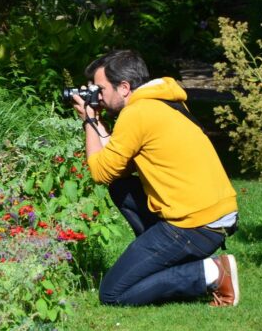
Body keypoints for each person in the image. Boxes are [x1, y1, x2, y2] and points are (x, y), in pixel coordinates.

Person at [71, 49, 240, 307]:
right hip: (212, 214)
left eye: (100, 89)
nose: (97, 96)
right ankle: (160, 262)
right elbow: (116, 169)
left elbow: (98, 172)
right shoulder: (163, 101)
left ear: (124, 87)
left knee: (112, 294)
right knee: (121, 185)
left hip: (194, 224)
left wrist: (89, 121)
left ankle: (212, 272)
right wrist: (98, 124)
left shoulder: (137, 114)